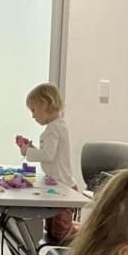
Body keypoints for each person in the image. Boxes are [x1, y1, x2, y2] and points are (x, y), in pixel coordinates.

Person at [17, 83, 78, 244]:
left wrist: (27, 151)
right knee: (52, 229)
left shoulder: (52, 130)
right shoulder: (58, 126)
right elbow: (50, 154)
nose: (33, 116)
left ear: (45, 105)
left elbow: (48, 155)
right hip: (60, 185)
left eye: (33, 110)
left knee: (60, 232)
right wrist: (33, 149)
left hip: (63, 189)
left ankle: (83, 237)